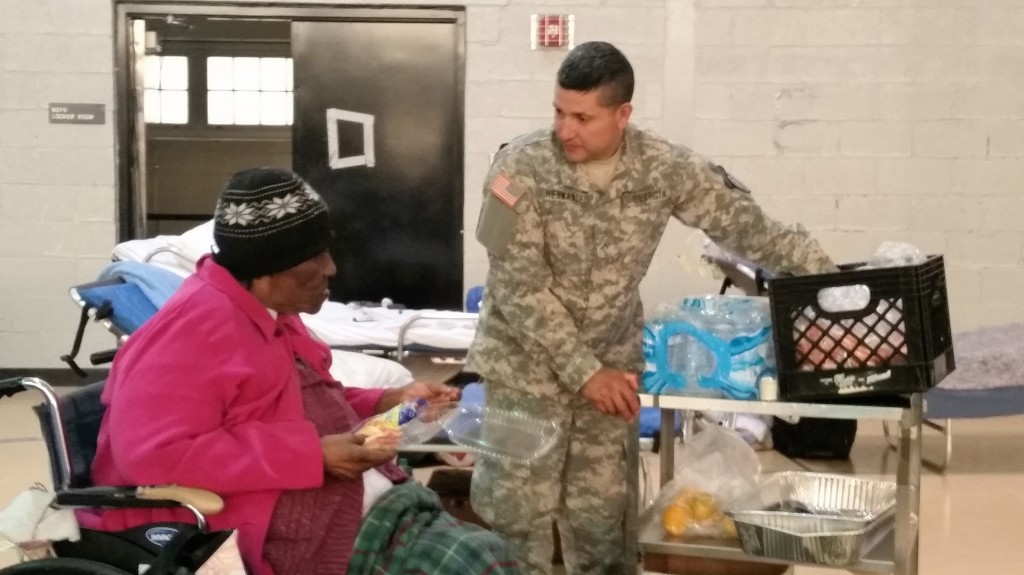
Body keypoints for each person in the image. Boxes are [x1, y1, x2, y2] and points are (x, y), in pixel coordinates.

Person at [467, 41, 838, 575]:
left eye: (582, 117)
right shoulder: (518, 167)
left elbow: (748, 227)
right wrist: (584, 372)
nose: (564, 129)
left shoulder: (662, 169)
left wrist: (830, 278)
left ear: (623, 115)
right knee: (515, 525)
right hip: (525, 372)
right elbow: (519, 287)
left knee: (603, 527)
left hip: (608, 375)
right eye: (558, 111)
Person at [81, 167, 521, 575]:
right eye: (314, 257)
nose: (330, 267)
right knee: (468, 561)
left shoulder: (268, 310)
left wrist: (387, 402)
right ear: (266, 270)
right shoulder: (191, 333)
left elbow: (305, 397)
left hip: (336, 494)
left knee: (487, 551)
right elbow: (154, 456)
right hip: (248, 516)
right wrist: (314, 454)